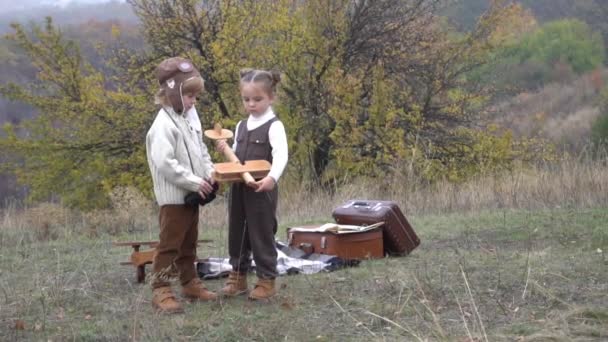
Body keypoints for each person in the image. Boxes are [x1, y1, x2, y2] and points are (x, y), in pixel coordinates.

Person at [145, 56, 219, 313]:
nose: (193, 101)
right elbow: (165, 163)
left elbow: (201, 151)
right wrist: (194, 181)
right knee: (169, 245)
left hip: (193, 195)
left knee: (189, 244)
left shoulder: (188, 121)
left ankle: (189, 282)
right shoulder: (163, 126)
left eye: (195, 96)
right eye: (189, 96)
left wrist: (210, 173)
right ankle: (160, 288)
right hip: (175, 198)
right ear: (173, 93)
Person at [216, 68, 288, 300]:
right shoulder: (240, 126)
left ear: (271, 97)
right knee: (237, 231)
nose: (251, 104)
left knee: (261, 232)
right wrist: (224, 149)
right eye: (246, 99)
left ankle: (266, 279)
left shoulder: (274, 126)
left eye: (257, 99)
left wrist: (271, 178)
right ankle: (238, 276)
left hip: (262, 189)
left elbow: (281, 156)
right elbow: (236, 157)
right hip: (239, 189)